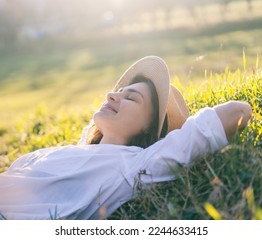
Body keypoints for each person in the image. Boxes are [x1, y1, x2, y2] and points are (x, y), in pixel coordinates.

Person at [0, 56, 252, 220]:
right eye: (117, 92)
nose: (111, 96)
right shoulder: (67, 152)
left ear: (148, 128)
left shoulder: (134, 166)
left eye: (130, 98)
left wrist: (174, 136)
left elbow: (238, 112)